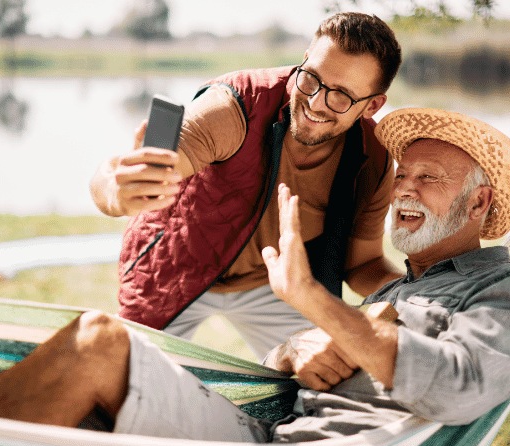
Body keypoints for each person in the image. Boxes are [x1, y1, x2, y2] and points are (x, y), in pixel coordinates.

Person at [0, 108, 510, 443]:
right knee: (82, 391)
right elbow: (290, 369)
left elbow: (460, 384)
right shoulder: (398, 288)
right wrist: (296, 348)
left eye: (430, 177)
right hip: (269, 436)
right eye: (404, 174)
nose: (404, 185)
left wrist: (319, 306)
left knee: (99, 345)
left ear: (479, 204)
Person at [89, 12, 405, 359]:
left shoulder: (371, 157)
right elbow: (120, 173)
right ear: (303, 62)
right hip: (176, 264)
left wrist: (420, 292)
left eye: (341, 96)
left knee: (317, 378)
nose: (315, 102)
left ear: (372, 105)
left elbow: (363, 266)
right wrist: (115, 191)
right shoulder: (237, 104)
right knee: (124, 377)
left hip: (270, 283)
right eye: (311, 79)